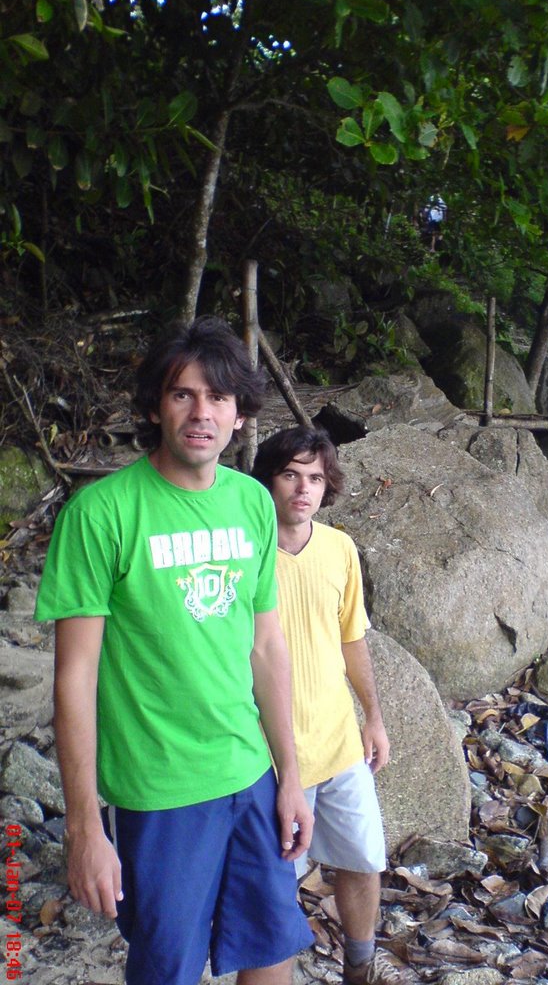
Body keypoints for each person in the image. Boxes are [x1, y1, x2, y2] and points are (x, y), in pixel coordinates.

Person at [35, 316, 315, 985]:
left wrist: (291, 777)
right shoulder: (102, 513)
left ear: (241, 415)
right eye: (182, 394)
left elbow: (267, 647)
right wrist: (83, 828)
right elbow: (75, 677)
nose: (201, 413)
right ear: (155, 407)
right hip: (160, 792)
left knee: (271, 948)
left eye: (218, 398)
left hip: (248, 774)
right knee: (167, 969)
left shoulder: (252, 503)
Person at [253, 427, 407, 985]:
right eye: (290, 474)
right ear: (267, 480)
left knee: (364, 862)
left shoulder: (341, 549)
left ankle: (360, 967)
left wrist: (374, 718)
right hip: (268, 753)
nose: (303, 488)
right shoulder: (246, 550)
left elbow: (352, 639)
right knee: (275, 881)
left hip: (339, 741)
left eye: (315, 478)